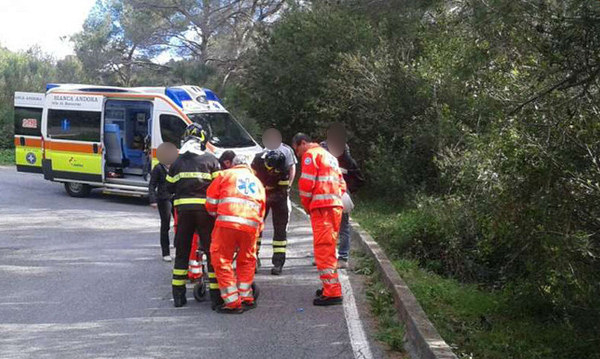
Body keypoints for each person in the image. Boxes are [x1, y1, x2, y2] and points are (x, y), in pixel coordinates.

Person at [167, 123, 221, 308]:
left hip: (184, 213)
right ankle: (215, 298)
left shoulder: (177, 162)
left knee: (182, 253)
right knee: (210, 252)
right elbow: (219, 187)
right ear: (204, 140)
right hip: (205, 213)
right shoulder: (211, 160)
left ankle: (179, 298)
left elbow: (169, 187)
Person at [206, 156, 266, 314]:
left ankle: (232, 301)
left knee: (221, 259)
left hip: (227, 223)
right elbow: (262, 209)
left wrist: (216, 214)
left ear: (233, 164)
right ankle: (246, 297)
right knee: (246, 260)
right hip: (251, 226)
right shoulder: (257, 182)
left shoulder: (225, 175)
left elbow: (211, 202)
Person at [292, 132, 346, 306]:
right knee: (329, 246)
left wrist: (307, 205)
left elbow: (306, 185)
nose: (297, 154)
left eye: (297, 150)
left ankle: (332, 292)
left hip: (322, 208)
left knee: (324, 249)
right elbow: (342, 184)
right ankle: (329, 287)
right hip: (334, 206)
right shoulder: (329, 156)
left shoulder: (310, 156)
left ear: (302, 143)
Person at [321, 123, 365, 268]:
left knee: (343, 226)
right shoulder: (322, 148)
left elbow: (355, 175)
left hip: (340, 194)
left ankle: (343, 258)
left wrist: (348, 190)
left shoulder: (345, 153)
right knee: (326, 227)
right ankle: (327, 256)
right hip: (325, 194)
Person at [251, 150, 290, 275]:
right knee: (256, 228)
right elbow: (251, 181)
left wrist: (267, 188)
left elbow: (283, 188)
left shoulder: (283, 165)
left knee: (280, 230)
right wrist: (264, 189)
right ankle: (253, 259)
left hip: (279, 196)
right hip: (259, 195)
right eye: (271, 169)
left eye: (276, 171)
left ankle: (278, 263)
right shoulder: (257, 161)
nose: (273, 172)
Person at [149, 142, 179, 261]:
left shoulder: (176, 167)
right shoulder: (158, 168)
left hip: (176, 197)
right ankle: (165, 252)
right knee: (165, 225)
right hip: (164, 198)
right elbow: (152, 185)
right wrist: (153, 200)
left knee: (179, 225)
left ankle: (178, 248)